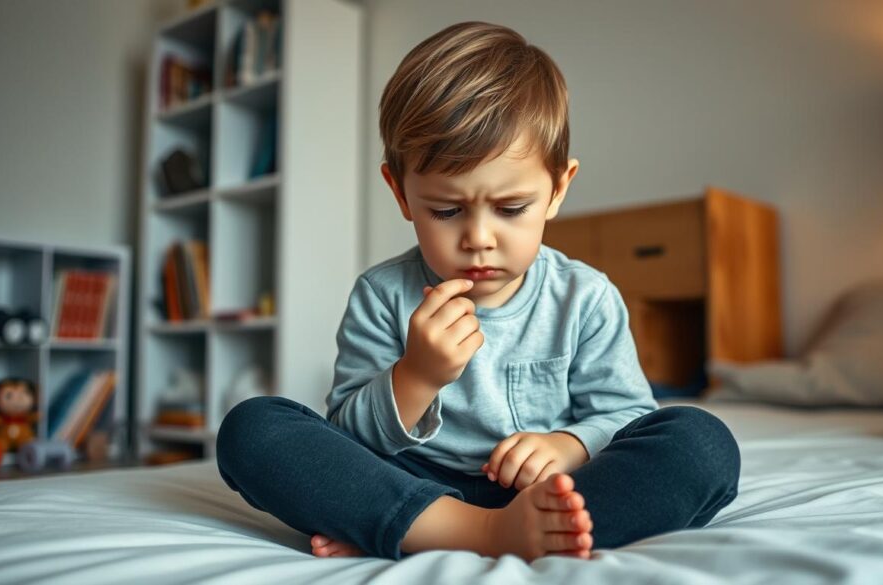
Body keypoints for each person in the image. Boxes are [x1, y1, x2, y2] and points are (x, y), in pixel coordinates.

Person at [217, 21, 740, 562]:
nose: (479, 239)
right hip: (411, 480)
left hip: (552, 490)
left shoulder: (586, 298)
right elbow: (349, 436)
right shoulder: (382, 294)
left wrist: (566, 447)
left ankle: (407, 531)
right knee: (252, 429)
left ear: (558, 188)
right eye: (446, 210)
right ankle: (468, 530)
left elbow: (627, 419)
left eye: (512, 209)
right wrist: (415, 377)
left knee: (702, 444)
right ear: (400, 192)